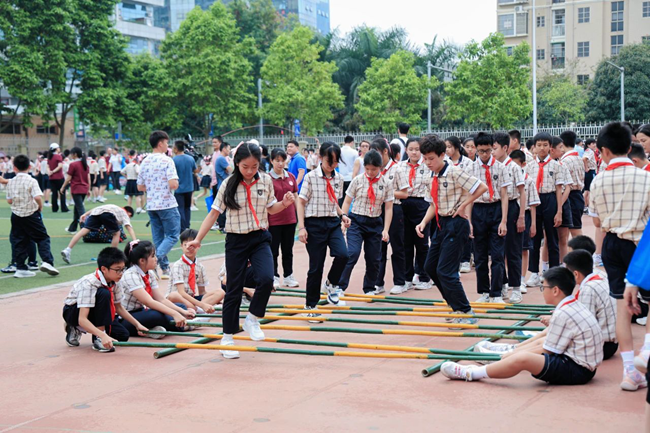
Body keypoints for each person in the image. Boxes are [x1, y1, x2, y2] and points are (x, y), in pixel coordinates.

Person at [189, 142, 295, 359]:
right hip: (236, 241)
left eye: (254, 166)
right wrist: (198, 239)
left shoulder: (265, 180)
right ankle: (227, 338)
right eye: (245, 166)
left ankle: (253, 318)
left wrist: (284, 203)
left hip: (260, 238)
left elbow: (271, 208)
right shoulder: (228, 184)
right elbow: (213, 213)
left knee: (267, 279)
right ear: (237, 163)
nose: (249, 171)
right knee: (234, 290)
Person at [442, 267, 603, 385]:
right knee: (540, 341)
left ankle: (471, 373)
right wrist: (515, 352)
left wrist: (516, 355)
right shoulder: (572, 305)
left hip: (577, 370)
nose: (542, 291)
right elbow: (547, 345)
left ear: (555, 290)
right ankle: (506, 354)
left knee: (523, 359)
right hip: (581, 364)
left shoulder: (563, 313)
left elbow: (547, 350)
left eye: (543, 287)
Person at [588, 121, 650, 391]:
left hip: (612, 244)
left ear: (603, 151)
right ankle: (646, 352)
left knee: (621, 307)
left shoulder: (598, 180)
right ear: (630, 145)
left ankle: (629, 373)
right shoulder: (645, 176)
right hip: (641, 245)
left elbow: (597, 221)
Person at [416, 135, 487, 328]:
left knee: (446, 271)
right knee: (430, 267)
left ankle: (465, 311)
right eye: (425, 159)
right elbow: (433, 204)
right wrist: (423, 222)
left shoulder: (455, 172)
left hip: (456, 224)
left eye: (431, 158)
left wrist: (463, 205)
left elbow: (481, 187)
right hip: (441, 224)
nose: (428, 162)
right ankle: (454, 304)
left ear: (442, 155)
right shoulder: (432, 176)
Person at [296, 142, 351, 320]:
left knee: (343, 254)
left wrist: (342, 214)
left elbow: (334, 201)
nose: (332, 165)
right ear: (320, 158)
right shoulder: (311, 177)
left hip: (332, 222)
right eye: (329, 161)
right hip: (314, 224)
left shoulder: (339, 178)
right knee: (316, 267)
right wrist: (302, 227)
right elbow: (301, 202)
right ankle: (310, 305)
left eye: (336, 162)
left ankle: (331, 283)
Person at [62, 247, 147, 352]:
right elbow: (82, 319)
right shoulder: (89, 283)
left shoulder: (116, 281)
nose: (121, 273)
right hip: (74, 312)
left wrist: (137, 325)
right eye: (117, 270)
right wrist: (102, 335)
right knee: (104, 293)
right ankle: (80, 329)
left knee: (122, 336)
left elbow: (119, 307)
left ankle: (99, 333)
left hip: (96, 312)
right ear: (104, 269)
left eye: (123, 269)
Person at [338, 148, 394, 296]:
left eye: (373, 169)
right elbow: (347, 201)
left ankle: (369, 288)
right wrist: (343, 219)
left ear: (380, 167)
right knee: (352, 253)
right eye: (367, 169)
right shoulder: (357, 180)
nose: (370, 172)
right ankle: (339, 287)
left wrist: (386, 229)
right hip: (356, 221)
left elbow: (389, 208)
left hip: (375, 223)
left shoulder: (386, 183)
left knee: (373, 258)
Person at [468, 132, 510, 304]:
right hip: (478, 210)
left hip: (496, 209)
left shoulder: (501, 168)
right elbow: (469, 196)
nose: (484, 154)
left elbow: (505, 195)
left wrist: (504, 221)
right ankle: (484, 291)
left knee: (498, 255)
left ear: (492, 148)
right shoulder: (471, 168)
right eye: (481, 151)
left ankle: (496, 293)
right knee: (480, 255)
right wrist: (469, 221)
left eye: (487, 150)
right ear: (476, 149)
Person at [119, 240, 194, 337]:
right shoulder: (130, 275)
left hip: (141, 311)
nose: (156, 259)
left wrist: (182, 311)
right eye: (153, 256)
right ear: (142, 261)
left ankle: (152, 330)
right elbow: (149, 302)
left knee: (180, 306)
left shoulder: (149, 273)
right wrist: (175, 314)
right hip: (126, 317)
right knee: (156, 315)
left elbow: (160, 299)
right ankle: (186, 326)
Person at [525, 132, 567, 287]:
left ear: (550, 147)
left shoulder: (556, 166)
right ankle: (534, 273)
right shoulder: (529, 166)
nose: (542, 148)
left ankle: (553, 272)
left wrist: (559, 211)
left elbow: (559, 189)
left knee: (552, 238)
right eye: (539, 145)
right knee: (534, 238)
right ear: (534, 147)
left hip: (550, 200)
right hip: (534, 201)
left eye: (545, 145)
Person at [7, 154, 59, 278]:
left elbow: (9, 200)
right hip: (31, 213)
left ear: (14, 168)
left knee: (19, 240)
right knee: (42, 237)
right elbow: (37, 197)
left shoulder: (11, 182)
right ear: (29, 167)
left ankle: (20, 267)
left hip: (16, 214)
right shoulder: (31, 180)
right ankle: (47, 261)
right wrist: (40, 207)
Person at [137, 131, 181, 280]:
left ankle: (164, 267)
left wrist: (153, 187)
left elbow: (140, 186)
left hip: (152, 204)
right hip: (167, 203)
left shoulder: (145, 161)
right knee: (173, 235)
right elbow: (173, 184)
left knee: (158, 239)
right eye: (167, 143)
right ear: (160, 143)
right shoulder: (167, 160)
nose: (168, 146)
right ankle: (153, 261)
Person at [563, 250, 618, 360]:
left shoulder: (588, 289)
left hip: (600, 347)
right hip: (612, 343)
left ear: (576, 274)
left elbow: (584, 326)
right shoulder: (601, 277)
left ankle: (525, 353)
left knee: (554, 340)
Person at [493, 133, 526, 304]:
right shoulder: (492, 166)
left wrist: (521, 216)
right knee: (498, 250)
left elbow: (522, 192)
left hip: (512, 207)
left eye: (494, 148)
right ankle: (502, 283)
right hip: (495, 207)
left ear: (505, 148)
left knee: (513, 249)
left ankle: (516, 287)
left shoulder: (513, 167)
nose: (492, 152)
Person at [374, 139, 409, 295]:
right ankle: (377, 282)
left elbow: (404, 193)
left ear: (385, 151)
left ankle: (400, 282)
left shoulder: (397, 169)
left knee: (397, 246)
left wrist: (386, 192)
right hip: (377, 210)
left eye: (377, 153)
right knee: (378, 247)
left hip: (394, 208)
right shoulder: (374, 168)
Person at [399, 138, 433, 292]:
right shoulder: (399, 167)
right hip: (403, 204)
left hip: (422, 204)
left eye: (417, 149)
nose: (414, 152)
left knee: (422, 244)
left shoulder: (427, 166)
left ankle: (425, 277)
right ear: (406, 150)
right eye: (411, 149)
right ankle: (407, 278)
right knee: (405, 244)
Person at [166, 229, 225, 313]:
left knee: (220, 292)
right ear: (181, 246)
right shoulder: (178, 266)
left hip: (192, 299)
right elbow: (181, 293)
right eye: (186, 245)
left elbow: (202, 292)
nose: (188, 248)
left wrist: (215, 300)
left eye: (192, 245)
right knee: (173, 295)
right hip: (178, 299)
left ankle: (197, 309)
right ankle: (199, 309)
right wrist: (203, 305)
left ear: (198, 246)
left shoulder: (200, 266)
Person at [61, 205, 136, 264]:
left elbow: (97, 208)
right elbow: (128, 227)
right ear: (129, 213)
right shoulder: (124, 213)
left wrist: (85, 214)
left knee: (84, 230)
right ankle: (112, 256)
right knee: (117, 233)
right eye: (130, 217)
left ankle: (68, 250)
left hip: (95, 213)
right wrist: (135, 240)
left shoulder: (112, 206)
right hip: (107, 215)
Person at [268, 148, 299, 289]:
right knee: (273, 250)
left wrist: (300, 215)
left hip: (290, 220)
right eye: (277, 160)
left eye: (282, 160)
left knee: (288, 250)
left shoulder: (291, 177)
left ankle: (288, 276)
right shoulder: (267, 179)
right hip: (274, 220)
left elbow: (296, 196)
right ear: (271, 161)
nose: (280, 164)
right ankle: (274, 276)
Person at [510, 150, 540, 292]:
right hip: (510, 214)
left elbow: (533, 205)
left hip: (525, 215)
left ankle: (521, 279)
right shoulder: (507, 178)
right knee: (508, 249)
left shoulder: (528, 180)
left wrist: (533, 224)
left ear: (523, 164)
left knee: (523, 249)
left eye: (517, 165)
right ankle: (510, 279)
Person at [559, 130, 585, 238]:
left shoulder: (565, 161)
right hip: (578, 194)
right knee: (571, 229)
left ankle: (582, 249)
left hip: (570, 196)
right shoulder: (579, 158)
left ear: (562, 143)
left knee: (574, 231)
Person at [61, 147, 90, 234]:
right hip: (84, 188)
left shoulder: (73, 164)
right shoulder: (85, 164)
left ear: (75, 154)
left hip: (76, 189)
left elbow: (68, 178)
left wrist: (63, 187)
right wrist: (88, 188)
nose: (70, 155)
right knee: (77, 209)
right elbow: (88, 178)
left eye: (71, 153)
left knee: (80, 209)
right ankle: (72, 228)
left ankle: (85, 229)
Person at [172, 140, 198, 233]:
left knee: (180, 209)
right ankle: (187, 226)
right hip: (189, 187)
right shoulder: (190, 159)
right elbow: (195, 170)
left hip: (179, 188)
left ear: (176, 148)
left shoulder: (174, 160)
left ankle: (182, 228)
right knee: (187, 208)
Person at [214, 141, 232, 231]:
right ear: (224, 149)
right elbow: (231, 170)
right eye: (228, 149)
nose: (229, 150)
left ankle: (222, 225)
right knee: (223, 207)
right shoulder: (221, 159)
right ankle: (222, 226)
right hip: (223, 185)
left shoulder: (221, 158)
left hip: (222, 184)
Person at [47, 143, 68, 213]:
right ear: (56, 149)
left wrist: (50, 172)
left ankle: (54, 208)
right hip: (59, 177)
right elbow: (60, 166)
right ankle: (63, 208)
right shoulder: (58, 156)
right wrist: (53, 171)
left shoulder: (49, 157)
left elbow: (48, 166)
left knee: (54, 193)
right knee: (62, 192)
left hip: (51, 178)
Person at [339, 135, 358, 205]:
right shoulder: (354, 152)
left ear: (344, 142)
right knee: (351, 199)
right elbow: (356, 165)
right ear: (352, 142)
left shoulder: (339, 151)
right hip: (351, 178)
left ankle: (341, 211)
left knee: (341, 198)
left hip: (341, 177)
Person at [582, 138, 598, 209]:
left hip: (589, 172)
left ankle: (585, 206)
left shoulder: (587, 151)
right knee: (589, 190)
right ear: (588, 145)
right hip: (590, 171)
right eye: (593, 143)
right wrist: (586, 168)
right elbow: (584, 159)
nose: (594, 145)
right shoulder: (590, 151)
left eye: (595, 143)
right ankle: (587, 206)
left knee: (587, 190)